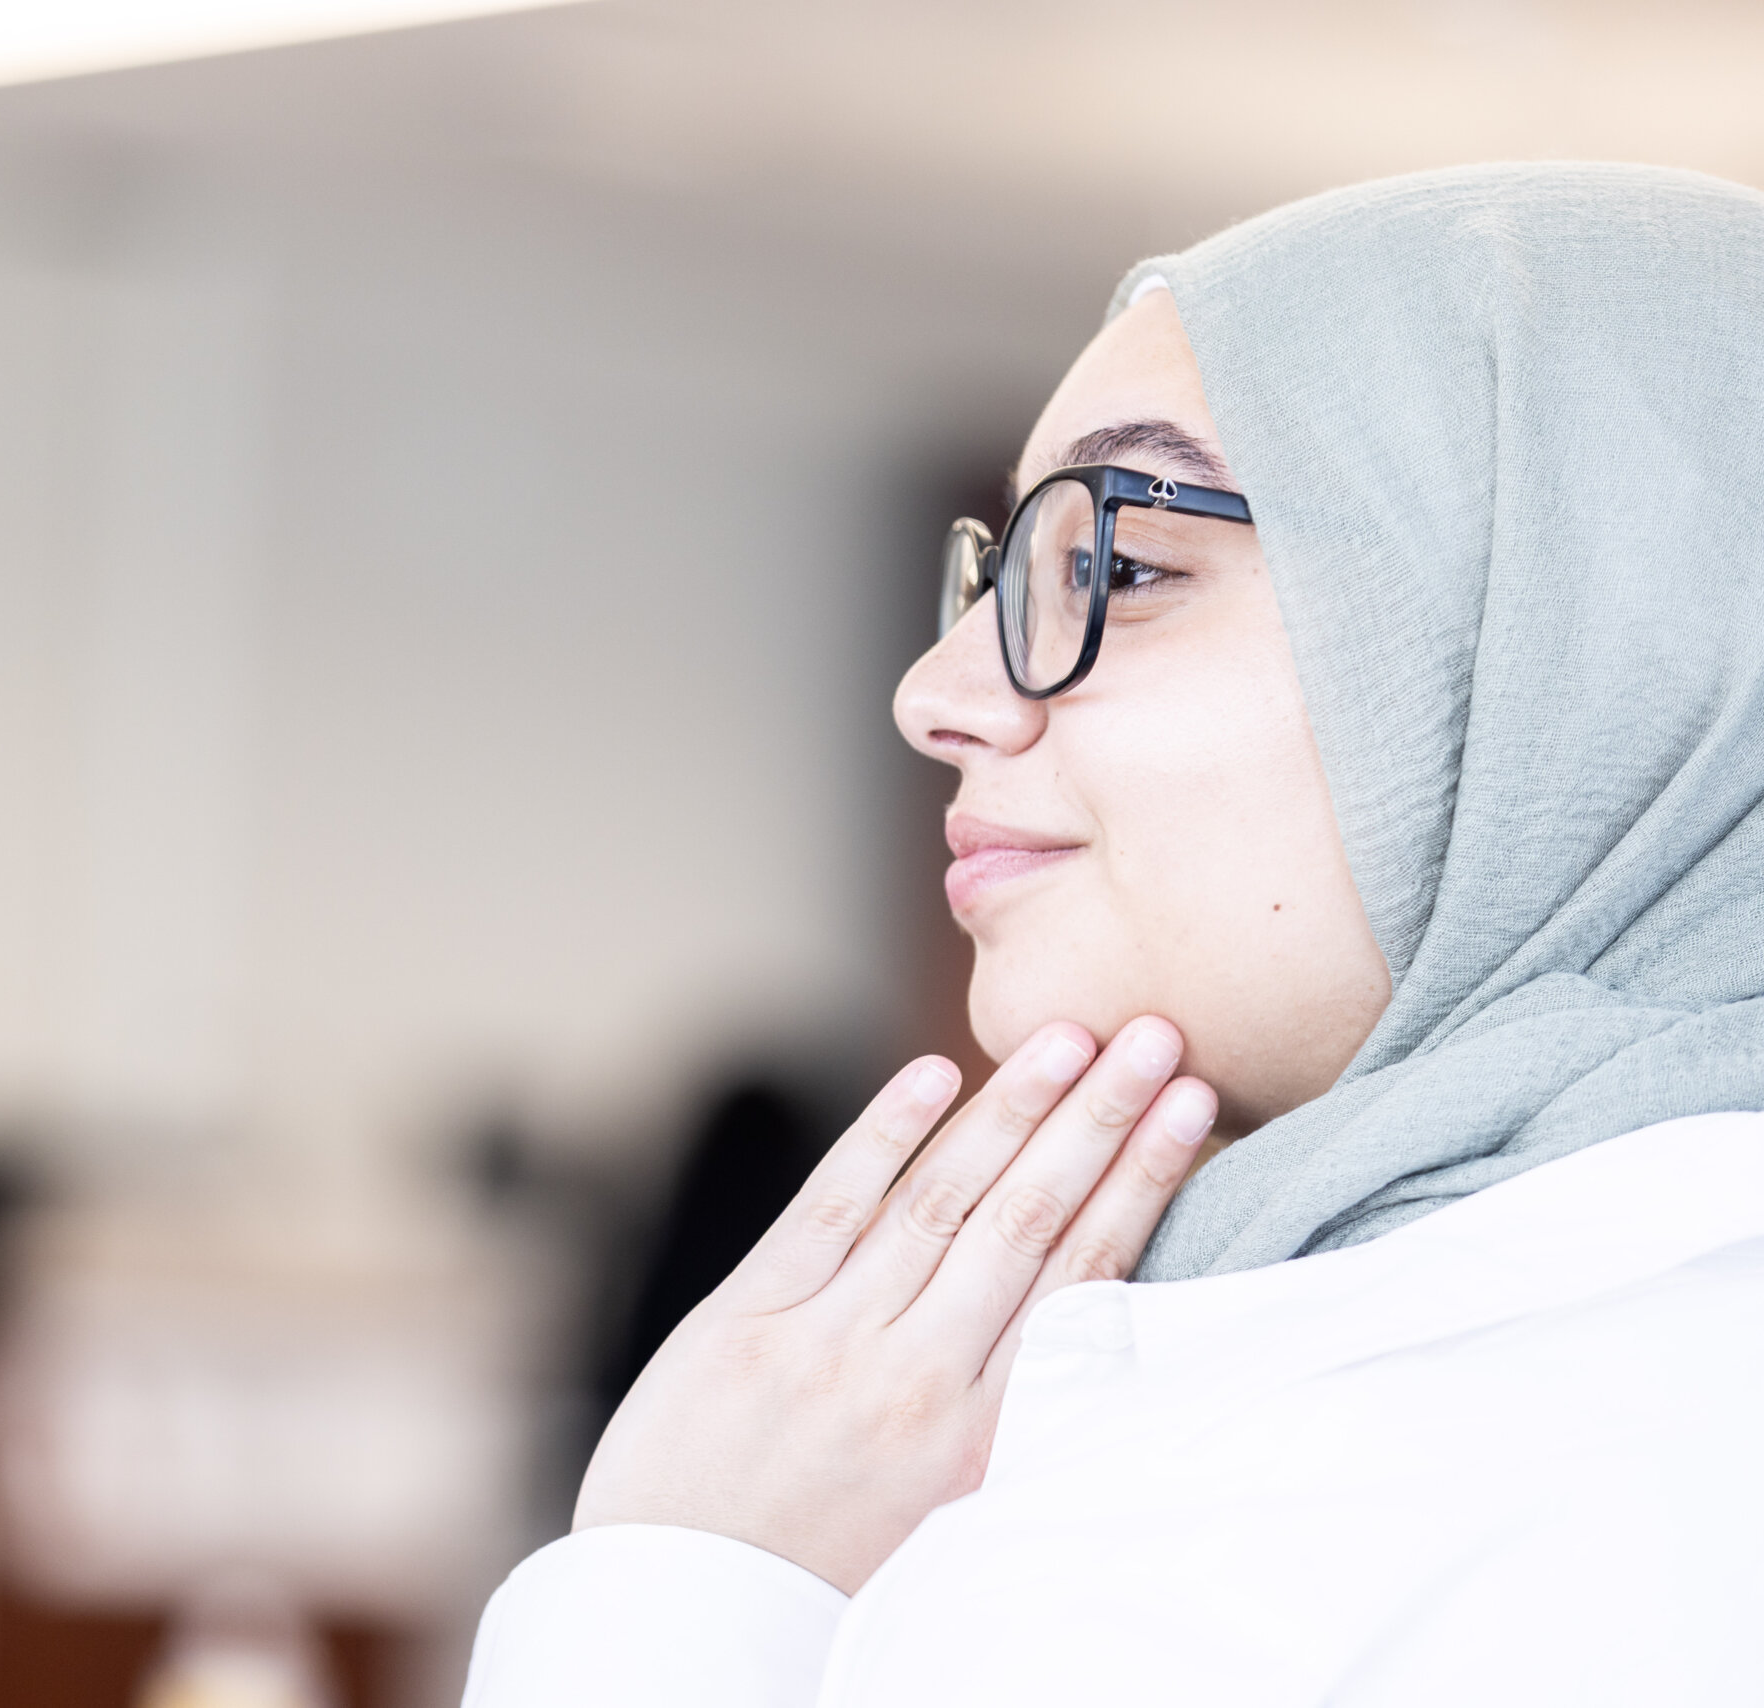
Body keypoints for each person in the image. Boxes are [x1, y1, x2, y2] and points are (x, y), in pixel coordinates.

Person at [459, 163, 1764, 1705]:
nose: (935, 694)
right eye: (1001, 568)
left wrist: (687, 1591)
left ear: (1599, 657)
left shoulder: (1451, 1493)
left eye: (1121, 567)